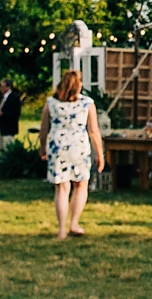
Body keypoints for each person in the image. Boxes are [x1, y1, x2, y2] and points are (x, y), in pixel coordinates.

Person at [42, 68, 105, 238]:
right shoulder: (87, 103)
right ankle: (74, 222)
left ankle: (61, 229)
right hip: (79, 147)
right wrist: (99, 153)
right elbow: (93, 131)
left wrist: (42, 148)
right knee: (81, 184)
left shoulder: (51, 103)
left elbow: (44, 128)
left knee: (62, 188)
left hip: (58, 146)